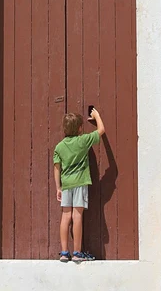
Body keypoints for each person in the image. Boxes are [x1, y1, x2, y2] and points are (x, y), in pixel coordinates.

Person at [53, 108, 105, 263]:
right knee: (77, 216)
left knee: (65, 216)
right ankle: (77, 253)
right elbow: (101, 130)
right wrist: (96, 115)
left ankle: (64, 252)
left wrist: (58, 187)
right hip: (80, 183)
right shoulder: (83, 141)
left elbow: (57, 168)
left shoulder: (59, 147)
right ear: (80, 128)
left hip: (67, 184)